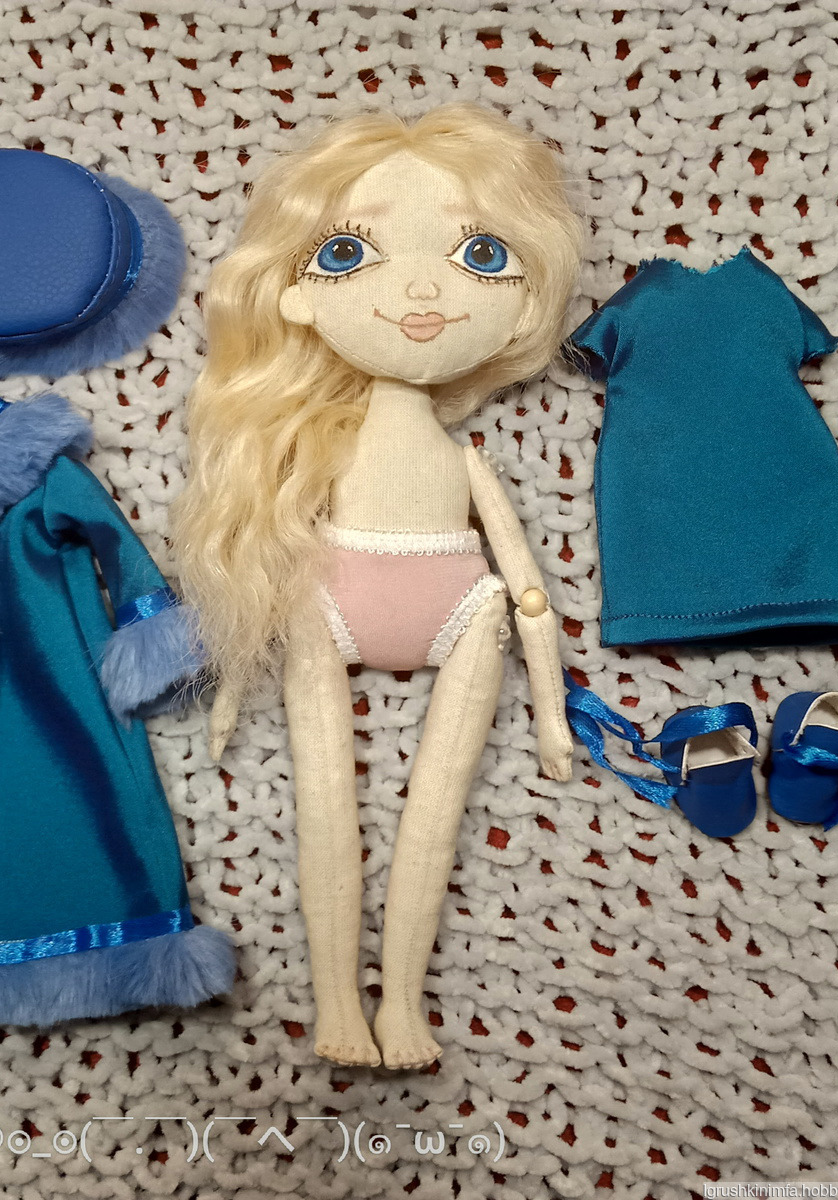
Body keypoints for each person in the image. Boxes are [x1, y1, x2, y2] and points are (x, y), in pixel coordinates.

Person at [173, 104, 581, 1068]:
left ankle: (401, 1006)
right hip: (330, 600)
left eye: (481, 257)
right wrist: (231, 676)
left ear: (526, 303)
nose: (423, 291)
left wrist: (552, 709)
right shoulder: (322, 445)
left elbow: (524, 584)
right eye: (350, 254)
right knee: (326, 811)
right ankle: (338, 1009)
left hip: (461, 609)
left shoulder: (462, 457)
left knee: (434, 816)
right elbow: (264, 562)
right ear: (297, 298)